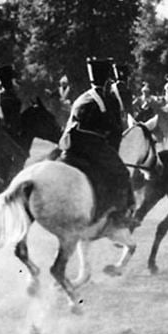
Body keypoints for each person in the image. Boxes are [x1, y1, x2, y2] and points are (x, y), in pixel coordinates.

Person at [59, 57, 133, 227]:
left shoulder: (82, 97)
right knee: (122, 173)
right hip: (92, 146)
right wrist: (115, 154)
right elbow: (115, 132)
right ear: (107, 79)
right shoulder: (107, 99)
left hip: (68, 146)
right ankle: (120, 216)